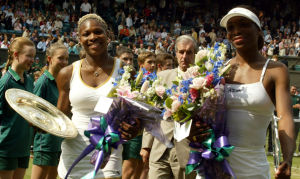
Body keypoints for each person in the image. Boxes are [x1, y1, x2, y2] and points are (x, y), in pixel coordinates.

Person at [56, 14, 140, 179]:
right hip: (75, 149)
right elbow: (61, 115)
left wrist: (134, 128)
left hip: (109, 150)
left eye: (98, 32)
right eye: (86, 34)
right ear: (79, 39)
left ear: (108, 35)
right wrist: (41, 120)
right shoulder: (67, 73)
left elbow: (136, 116)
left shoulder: (126, 71)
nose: (93, 37)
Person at [219, 6, 295, 178]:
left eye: (243, 24)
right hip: (214, 166)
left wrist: (288, 158)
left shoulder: (276, 70)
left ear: (258, 30)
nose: (236, 30)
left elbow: (285, 117)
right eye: (231, 28)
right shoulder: (218, 69)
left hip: (252, 168)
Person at [141, 35, 197, 179]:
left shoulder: (203, 80)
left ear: (195, 54)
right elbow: (151, 113)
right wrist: (146, 145)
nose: (184, 56)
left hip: (186, 151)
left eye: (189, 52)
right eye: (181, 52)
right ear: (176, 53)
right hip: (159, 148)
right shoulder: (162, 77)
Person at [31, 42, 69, 179]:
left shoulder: (63, 82)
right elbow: (32, 112)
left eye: (66, 58)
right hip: (45, 143)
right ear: (49, 59)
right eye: (60, 58)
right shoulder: (44, 82)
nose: (64, 62)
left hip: (59, 141)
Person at [0, 37, 36, 179]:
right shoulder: (6, 82)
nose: (32, 60)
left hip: (24, 146)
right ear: (16, 55)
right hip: (7, 147)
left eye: (33, 56)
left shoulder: (29, 80)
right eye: (28, 56)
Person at [290, 85, 300, 156]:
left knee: (295, 135)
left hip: (296, 117)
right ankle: (288, 151)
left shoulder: (298, 98)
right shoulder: (286, 97)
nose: (294, 90)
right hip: (288, 117)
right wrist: (294, 106)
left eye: (295, 90)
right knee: (289, 135)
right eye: (293, 89)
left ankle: (294, 151)